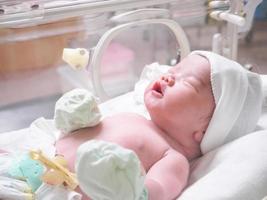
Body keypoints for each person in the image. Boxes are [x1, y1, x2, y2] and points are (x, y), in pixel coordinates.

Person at [55, 51, 263, 200]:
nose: (168, 76)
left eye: (188, 81)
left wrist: (128, 190)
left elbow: (157, 191)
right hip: (36, 171)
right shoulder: (132, 117)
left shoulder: (173, 159)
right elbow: (79, 132)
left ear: (207, 129)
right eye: (175, 69)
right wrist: (74, 119)